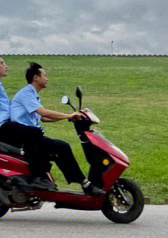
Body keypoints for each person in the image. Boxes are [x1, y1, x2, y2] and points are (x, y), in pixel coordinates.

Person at [10, 62, 104, 196]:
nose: (47, 78)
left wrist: (68, 118)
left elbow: (43, 118)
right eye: (45, 75)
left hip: (32, 137)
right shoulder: (26, 94)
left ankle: (73, 182)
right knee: (63, 147)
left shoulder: (32, 94)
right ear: (36, 78)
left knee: (61, 149)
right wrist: (68, 115)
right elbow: (44, 113)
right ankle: (85, 184)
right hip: (28, 137)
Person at [0, 51, 53, 188]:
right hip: (1, 128)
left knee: (33, 135)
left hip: (5, 126)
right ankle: (37, 176)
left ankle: (36, 173)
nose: (6, 66)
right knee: (34, 133)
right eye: (2, 63)